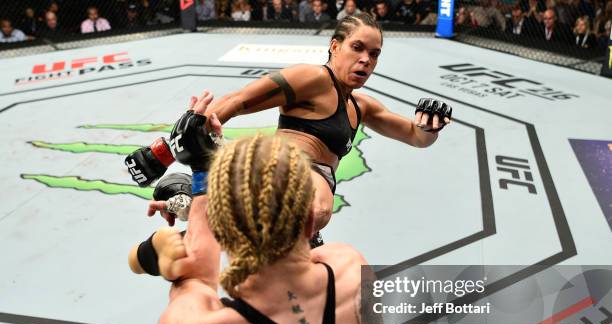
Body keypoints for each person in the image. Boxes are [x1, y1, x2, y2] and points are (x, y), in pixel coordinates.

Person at [130, 91, 387, 324]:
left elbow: (196, 274)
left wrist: (204, 174)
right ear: (312, 221)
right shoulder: (351, 266)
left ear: (223, 232)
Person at [127, 14, 452, 246]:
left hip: (304, 201)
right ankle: (207, 186)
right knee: (317, 208)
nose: (366, 60)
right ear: (335, 46)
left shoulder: (361, 106)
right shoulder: (312, 79)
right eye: (358, 47)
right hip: (284, 171)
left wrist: (429, 126)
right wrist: (164, 152)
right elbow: (238, 100)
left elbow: (415, 136)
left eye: (374, 54)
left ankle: (201, 197)